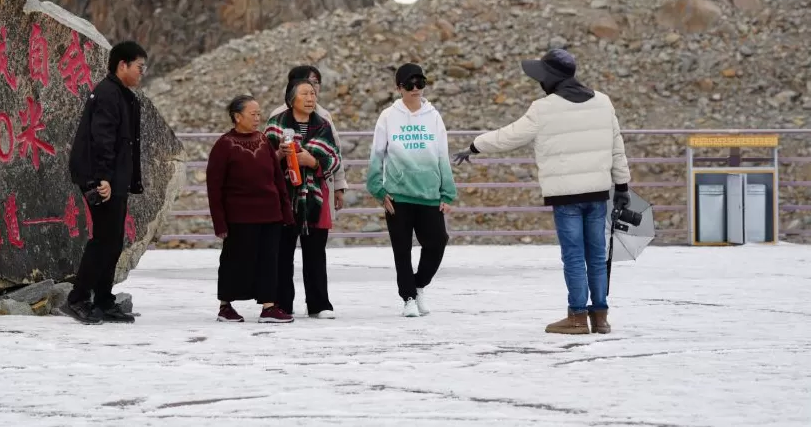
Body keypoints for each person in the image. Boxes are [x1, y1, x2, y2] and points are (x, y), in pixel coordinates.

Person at [453, 49, 631, 335]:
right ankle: (600, 317)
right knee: (597, 256)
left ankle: (576, 317)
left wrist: (475, 146)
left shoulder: (543, 109)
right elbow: (617, 146)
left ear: (550, 79)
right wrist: (622, 186)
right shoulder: (603, 102)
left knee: (574, 256)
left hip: (566, 198)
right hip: (598, 194)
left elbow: (509, 136)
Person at [63, 41, 147, 325]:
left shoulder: (124, 95)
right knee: (103, 240)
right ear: (122, 65)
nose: (141, 73)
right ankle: (77, 299)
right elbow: (102, 140)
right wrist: (103, 179)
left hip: (115, 179)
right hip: (100, 179)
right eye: (139, 67)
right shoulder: (108, 93)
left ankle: (103, 299)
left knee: (113, 242)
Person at [366, 63, 456, 318]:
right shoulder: (387, 116)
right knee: (402, 249)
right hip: (398, 195)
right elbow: (376, 155)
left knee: (438, 241)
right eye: (409, 84)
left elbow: (442, 154)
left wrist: (447, 193)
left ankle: (418, 285)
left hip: (428, 195)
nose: (416, 88)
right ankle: (407, 298)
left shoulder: (433, 116)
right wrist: (378, 190)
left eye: (420, 83)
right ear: (399, 88)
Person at [206, 95, 295, 324]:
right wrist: (220, 222)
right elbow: (214, 187)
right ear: (237, 117)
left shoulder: (264, 141)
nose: (257, 118)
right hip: (239, 216)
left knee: (269, 260)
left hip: (270, 213)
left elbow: (277, 178)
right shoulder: (224, 145)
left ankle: (268, 306)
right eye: (252, 114)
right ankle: (225, 306)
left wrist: (285, 211)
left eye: (258, 114)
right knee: (234, 260)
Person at [265, 79, 342, 319]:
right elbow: (264, 160)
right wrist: (281, 155)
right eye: (305, 94)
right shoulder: (276, 125)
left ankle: (319, 304)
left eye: (313, 94)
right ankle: (282, 304)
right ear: (291, 100)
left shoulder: (323, 125)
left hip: (314, 200)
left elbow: (335, 158)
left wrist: (314, 162)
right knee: (282, 253)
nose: (311, 98)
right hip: (283, 198)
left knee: (316, 254)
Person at [269, 65, 348, 216]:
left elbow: (335, 153)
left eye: (316, 82)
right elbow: (267, 156)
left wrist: (339, 186)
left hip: (317, 188)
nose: (314, 87)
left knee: (316, 235)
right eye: (308, 82)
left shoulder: (324, 117)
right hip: (285, 192)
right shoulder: (277, 118)